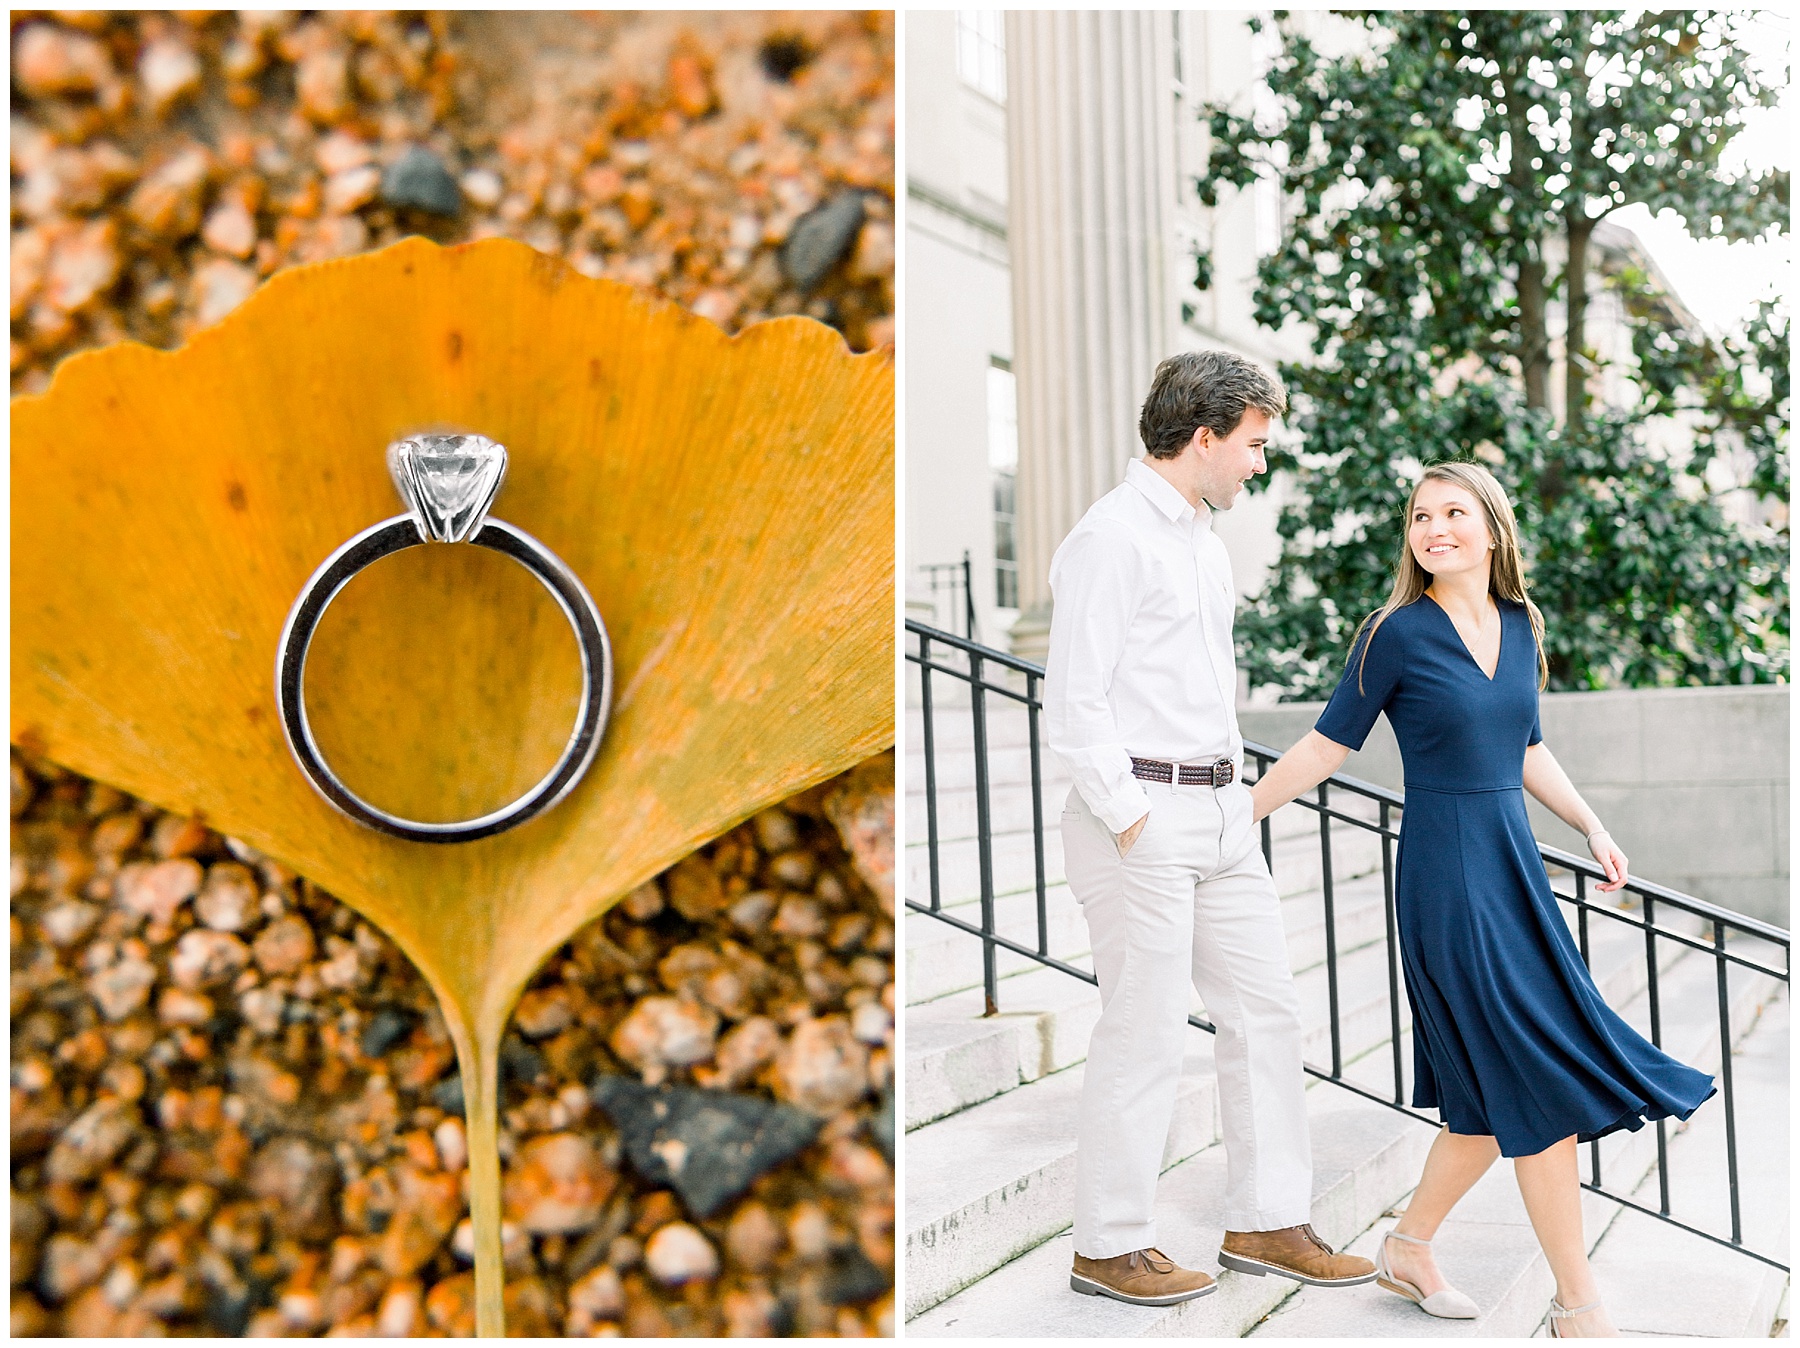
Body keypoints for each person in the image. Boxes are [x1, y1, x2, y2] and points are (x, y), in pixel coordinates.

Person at [1249, 461, 1715, 1338]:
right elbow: (1325, 747)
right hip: (1445, 876)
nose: (1434, 528)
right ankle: (1581, 1306)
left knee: (1493, 1091)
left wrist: (1590, 824)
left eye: (1454, 511)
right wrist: (1239, 815)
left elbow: (1526, 746)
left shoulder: (1518, 624)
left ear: (1492, 529)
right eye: (1421, 516)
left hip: (1512, 869)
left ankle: (1411, 1245)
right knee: (1536, 1085)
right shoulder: (1393, 634)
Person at [1045, 350, 1376, 1307]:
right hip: (1140, 818)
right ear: (1205, 437)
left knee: (1267, 1013)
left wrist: (1232, 801)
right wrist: (1134, 819)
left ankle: (1268, 1220)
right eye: (1255, 444)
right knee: (1143, 1032)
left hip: (1223, 813)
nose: (1260, 463)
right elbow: (1074, 705)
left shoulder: (1199, 539)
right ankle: (1108, 1243)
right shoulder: (1110, 539)